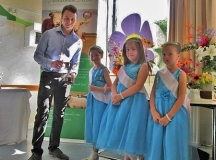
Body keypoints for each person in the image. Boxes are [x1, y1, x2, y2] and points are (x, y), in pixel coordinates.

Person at [29, 5, 83, 160]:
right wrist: (51, 63)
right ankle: (36, 152)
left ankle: (54, 148)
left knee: (59, 115)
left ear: (75, 19)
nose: (69, 22)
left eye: (72, 19)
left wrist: (73, 73)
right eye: (66, 18)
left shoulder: (78, 41)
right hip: (47, 76)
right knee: (42, 114)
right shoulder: (48, 34)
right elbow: (37, 56)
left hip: (64, 81)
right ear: (61, 18)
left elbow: (75, 63)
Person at [96, 37, 150, 160]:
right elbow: (114, 84)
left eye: (133, 49)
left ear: (140, 50)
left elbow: (138, 86)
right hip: (119, 103)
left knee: (132, 131)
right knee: (121, 130)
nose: (130, 52)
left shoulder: (143, 66)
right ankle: (127, 157)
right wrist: (115, 96)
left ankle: (132, 156)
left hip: (134, 103)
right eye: (127, 49)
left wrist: (119, 96)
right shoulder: (124, 66)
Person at [145, 42, 191, 160]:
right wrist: (154, 111)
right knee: (156, 143)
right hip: (158, 113)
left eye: (170, 54)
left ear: (178, 56)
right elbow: (152, 94)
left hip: (174, 115)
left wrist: (169, 117)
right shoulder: (159, 74)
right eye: (164, 54)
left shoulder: (181, 74)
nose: (166, 57)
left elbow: (181, 98)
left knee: (171, 143)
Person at [83, 45, 112, 160]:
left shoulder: (104, 70)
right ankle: (94, 152)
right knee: (92, 123)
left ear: (101, 55)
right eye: (92, 55)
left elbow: (110, 87)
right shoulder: (91, 70)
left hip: (101, 101)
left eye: (96, 55)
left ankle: (96, 151)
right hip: (92, 99)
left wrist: (96, 89)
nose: (94, 57)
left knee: (98, 124)